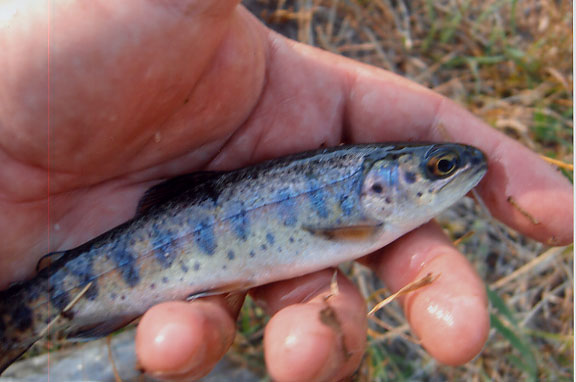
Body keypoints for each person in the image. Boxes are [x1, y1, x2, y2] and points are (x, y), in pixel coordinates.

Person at [0, 1, 571, 381]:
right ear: (379, 182)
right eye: (442, 165)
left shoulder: (373, 212)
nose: (458, 169)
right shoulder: (366, 218)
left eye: (441, 164)